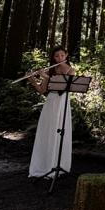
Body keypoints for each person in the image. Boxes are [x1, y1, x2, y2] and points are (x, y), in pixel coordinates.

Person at [27, 46, 75, 178]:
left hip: (62, 103)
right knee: (47, 131)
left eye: (62, 55)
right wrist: (33, 80)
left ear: (66, 56)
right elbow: (42, 90)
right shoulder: (50, 70)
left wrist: (47, 77)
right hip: (51, 102)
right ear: (53, 58)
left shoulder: (71, 70)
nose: (59, 58)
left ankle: (57, 164)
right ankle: (43, 165)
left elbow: (64, 87)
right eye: (56, 56)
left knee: (59, 131)